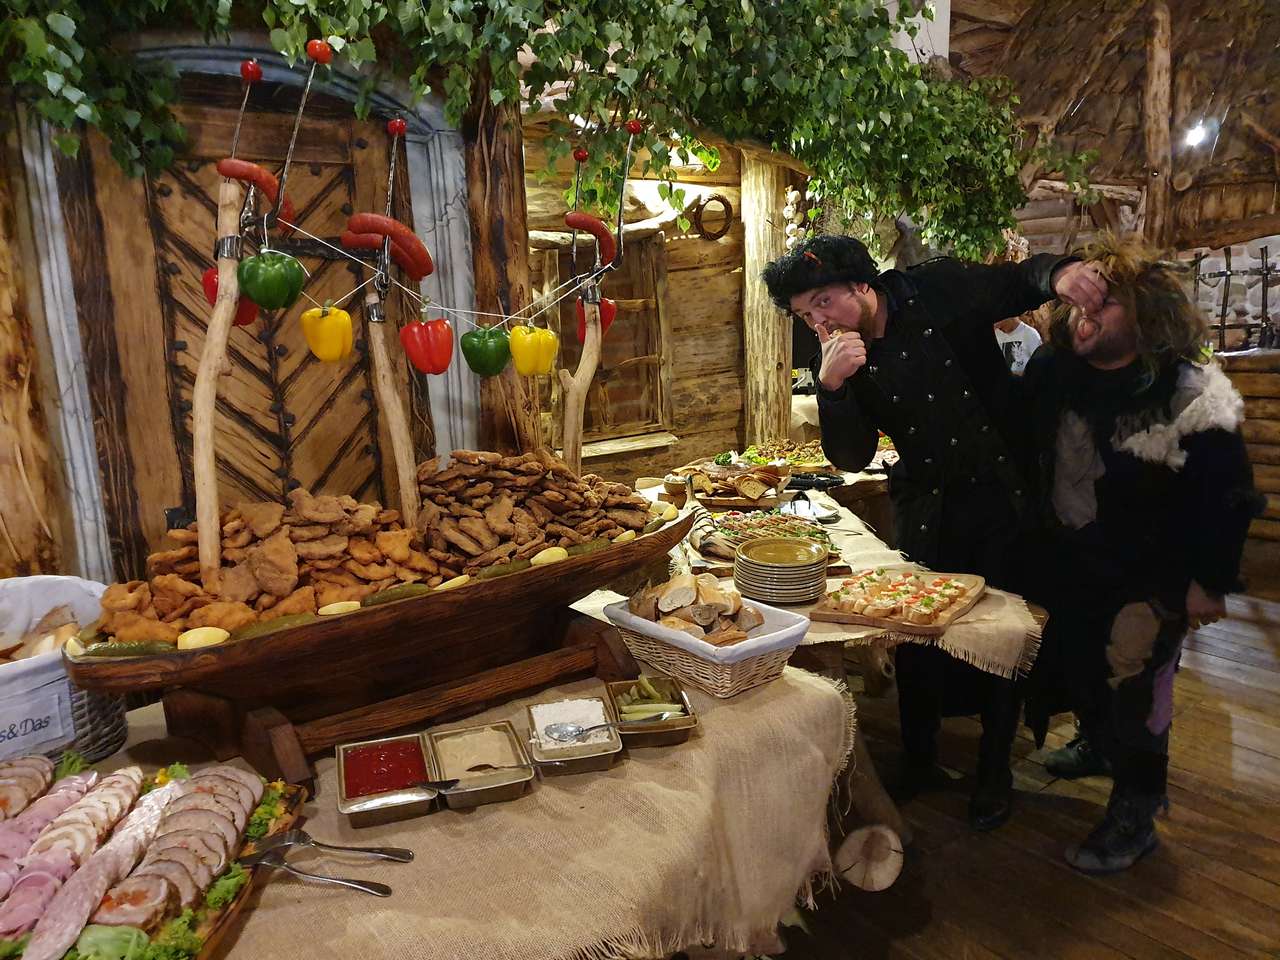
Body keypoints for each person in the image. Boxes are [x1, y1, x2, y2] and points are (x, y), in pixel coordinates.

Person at [761, 234, 1107, 830]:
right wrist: (833, 388)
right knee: (915, 635)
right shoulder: (840, 355)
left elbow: (1015, 281)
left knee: (1002, 632)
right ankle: (920, 760)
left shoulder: (936, 287)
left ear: (862, 285)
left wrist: (1061, 273)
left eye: (823, 302)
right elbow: (851, 456)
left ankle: (994, 772)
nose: (818, 322)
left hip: (1003, 494)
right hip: (927, 504)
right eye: (805, 315)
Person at [1022, 234, 1262, 873]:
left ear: (1146, 312)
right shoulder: (1052, 372)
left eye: (1104, 302)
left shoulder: (1189, 389)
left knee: (1135, 682)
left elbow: (1226, 493)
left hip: (1153, 572)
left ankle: (1136, 809)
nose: (1085, 313)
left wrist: (1208, 582)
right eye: (1079, 301)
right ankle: (1098, 746)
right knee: (1082, 668)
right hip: (1073, 561)